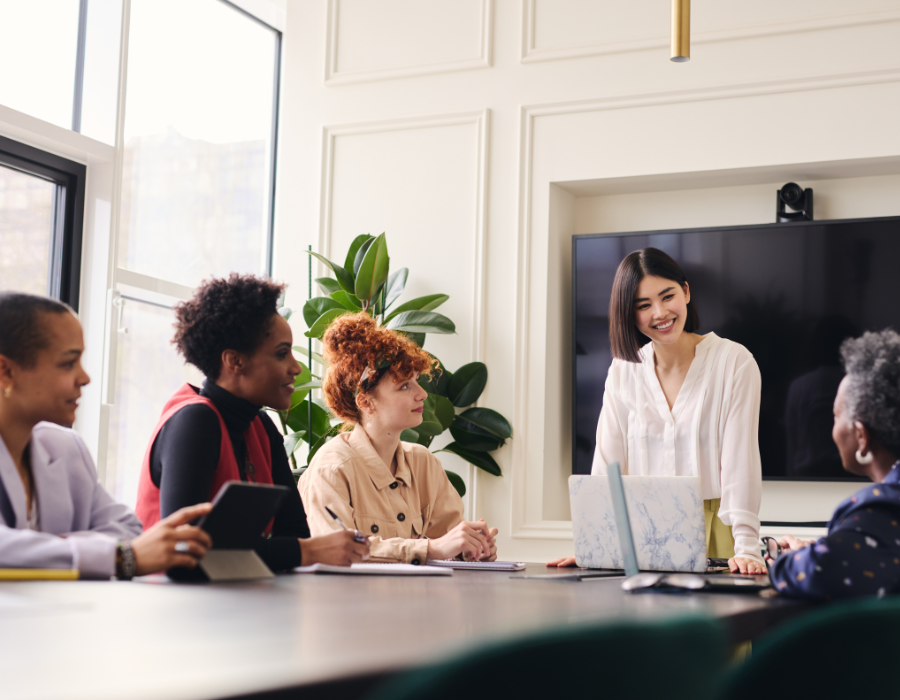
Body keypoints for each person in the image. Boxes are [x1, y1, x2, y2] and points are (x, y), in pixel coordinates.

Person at [550, 248, 766, 574]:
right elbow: (607, 466)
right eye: (643, 305)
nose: (660, 312)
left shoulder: (734, 362)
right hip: (640, 535)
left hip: (718, 533)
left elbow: (741, 464)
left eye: (668, 296)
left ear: (687, 292)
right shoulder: (623, 370)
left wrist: (747, 548)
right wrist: (594, 543)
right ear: (629, 313)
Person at [135, 275, 369, 571]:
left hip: (234, 602)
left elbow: (295, 532)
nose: (296, 368)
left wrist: (300, 549)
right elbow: (186, 551)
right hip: (173, 605)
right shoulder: (194, 422)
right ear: (235, 361)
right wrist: (306, 551)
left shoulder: (259, 425)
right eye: (281, 354)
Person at [0, 292, 211, 579]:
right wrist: (117, 557)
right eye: (68, 363)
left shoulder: (64, 447)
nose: (85, 378)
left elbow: (127, 528)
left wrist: (48, 551)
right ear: (5, 371)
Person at [299, 312, 498, 564]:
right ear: (366, 402)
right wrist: (429, 549)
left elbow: (450, 540)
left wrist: (472, 548)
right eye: (405, 386)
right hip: (348, 602)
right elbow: (336, 552)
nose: (422, 394)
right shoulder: (332, 468)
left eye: (417, 381)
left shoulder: (423, 462)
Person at [768, 329, 900, 599]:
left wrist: (788, 560)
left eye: (836, 415)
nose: (833, 428)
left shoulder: (879, 509)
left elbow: (817, 571)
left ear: (861, 435)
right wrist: (826, 547)